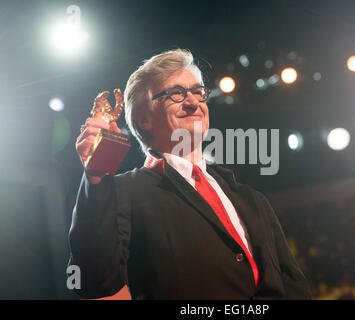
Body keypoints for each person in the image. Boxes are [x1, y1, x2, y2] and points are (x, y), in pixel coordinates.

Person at [69, 49, 311, 299]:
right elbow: (91, 280)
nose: (194, 102)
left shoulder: (251, 198)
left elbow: (294, 285)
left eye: (198, 92)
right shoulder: (122, 193)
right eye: (176, 93)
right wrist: (96, 177)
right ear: (144, 119)